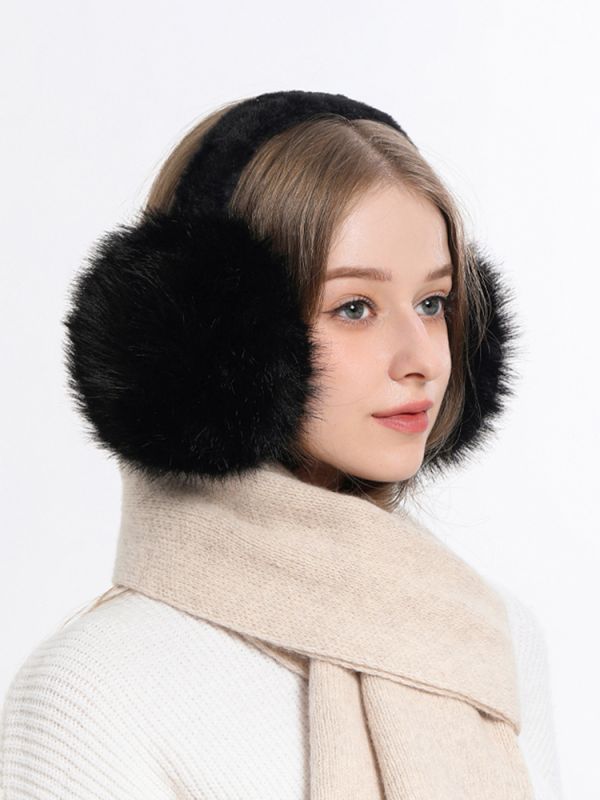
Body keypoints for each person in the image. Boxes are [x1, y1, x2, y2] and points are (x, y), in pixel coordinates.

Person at [0, 90, 564, 799]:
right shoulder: (93, 692)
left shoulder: (489, 636)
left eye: (433, 303)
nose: (423, 357)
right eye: (354, 308)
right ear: (219, 340)